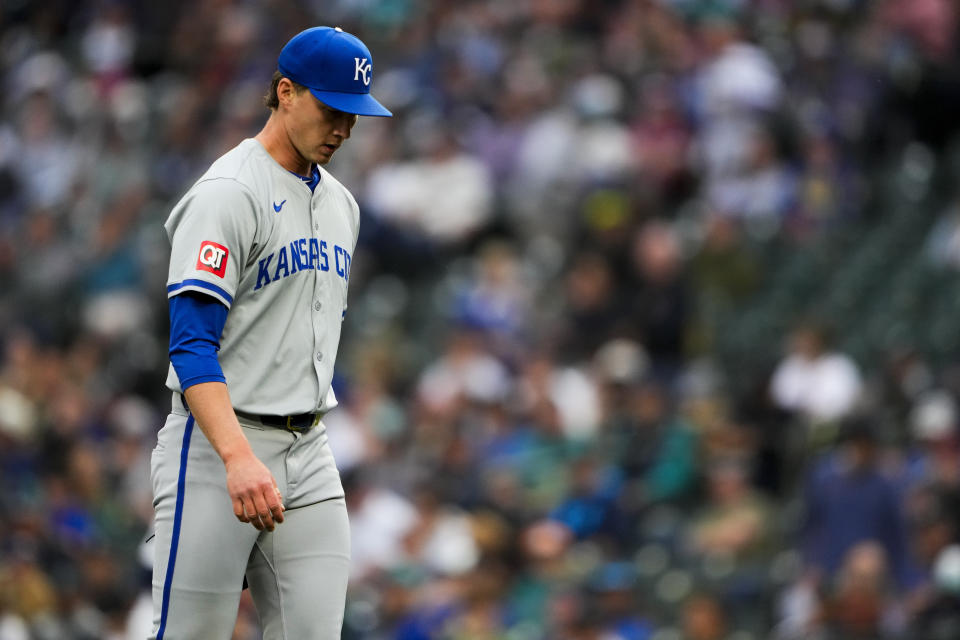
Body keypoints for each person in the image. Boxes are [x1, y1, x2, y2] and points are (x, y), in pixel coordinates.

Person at [148, 26, 391, 639]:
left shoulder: (343, 205)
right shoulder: (229, 194)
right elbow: (191, 343)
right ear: (285, 92)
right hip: (216, 450)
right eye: (331, 110)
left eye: (354, 116)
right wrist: (236, 456)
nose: (343, 128)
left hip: (309, 450)